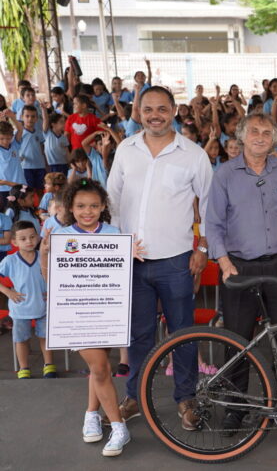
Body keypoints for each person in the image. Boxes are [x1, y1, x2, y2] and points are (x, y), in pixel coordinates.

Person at [107, 86, 213, 429]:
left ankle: (186, 399)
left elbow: (209, 205)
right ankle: (135, 397)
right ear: (139, 110)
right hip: (132, 262)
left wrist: (202, 248)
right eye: (148, 109)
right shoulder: (126, 149)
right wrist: (112, 250)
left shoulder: (194, 154)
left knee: (182, 332)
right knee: (138, 335)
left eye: (162, 109)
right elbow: (112, 200)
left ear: (174, 110)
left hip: (176, 262)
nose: (155, 115)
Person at [206, 112, 277, 432]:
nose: (260, 137)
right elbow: (213, 224)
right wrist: (223, 263)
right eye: (254, 132)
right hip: (240, 266)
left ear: (274, 139)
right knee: (237, 339)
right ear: (242, 136)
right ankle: (236, 407)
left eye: (267, 132)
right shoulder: (224, 175)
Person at [40, 178, 145, 456]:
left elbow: (121, 273)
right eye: (81, 206)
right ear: (70, 208)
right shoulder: (61, 236)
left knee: (99, 368)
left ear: (103, 207)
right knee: (99, 367)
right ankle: (119, 426)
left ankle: (91, 413)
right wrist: (44, 254)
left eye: (94, 206)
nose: (88, 211)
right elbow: (51, 279)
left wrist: (128, 254)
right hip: (77, 312)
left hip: (107, 310)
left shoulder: (113, 232)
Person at [0, 221, 56, 379]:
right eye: (23, 239)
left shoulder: (44, 257)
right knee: (21, 340)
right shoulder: (10, 261)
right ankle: (24, 367)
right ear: (14, 242)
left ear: (38, 237)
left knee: (45, 337)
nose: (29, 241)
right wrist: (7, 291)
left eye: (32, 237)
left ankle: (49, 365)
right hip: (20, 308)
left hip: (43, 306)